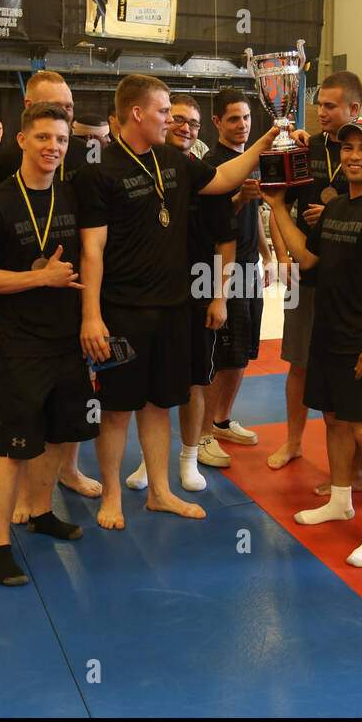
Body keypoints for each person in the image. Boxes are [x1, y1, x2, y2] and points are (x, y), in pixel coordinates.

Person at [73, 73, 284, 530]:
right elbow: (91, 250)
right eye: (164, 111)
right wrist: (91, 315)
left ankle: (161, 492)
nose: (170, 119)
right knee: (115, 411)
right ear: (137, 113)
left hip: (172, 309)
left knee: (159, 405)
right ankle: (111, 495)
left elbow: (226, 176)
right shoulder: (99, 173)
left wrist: (269, 136)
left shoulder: (173, 160)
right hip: (121, 312)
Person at [262, 117, 362, 567]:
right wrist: (277, 207)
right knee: (332, 419)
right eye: (348, 148)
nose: (354, 156)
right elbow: (308, 258)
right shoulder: (335, 208)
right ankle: (340, 498)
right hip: (328, 334)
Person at [0, 102, 95, 585]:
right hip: (21, 345)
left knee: (58, 438)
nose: (53, 148)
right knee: (15, 449)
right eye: (43, 137)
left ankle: (42, 512)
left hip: (67, 341)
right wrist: (38, 279)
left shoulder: (71, 197)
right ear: (22, 140)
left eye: (61, 140)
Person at [0, 71, 101, 498]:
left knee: (69, 404)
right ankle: (15, 482)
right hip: (18, 309)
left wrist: (91, 309)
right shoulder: (2, 167)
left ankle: (66, 472)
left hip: (69, 305)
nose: (62, 123)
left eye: (70, 110)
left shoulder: (80, 160)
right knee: (20, 407)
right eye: (52, 110)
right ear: (26, 118)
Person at [126, 93, 234, 490]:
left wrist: (220, 297)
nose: (186, 128)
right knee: (149, 380)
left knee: (192, 381)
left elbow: (226, 243)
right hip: (149, 294)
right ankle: (147, 461)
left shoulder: (207, 177)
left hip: (198, 292)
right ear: (164, 121)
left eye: (194, 123)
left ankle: (189, 459)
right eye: (179, 120)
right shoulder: (140, 172)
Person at [266, 70, 361, 475]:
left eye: (330, 106)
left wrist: (336, 213)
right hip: (304, 270)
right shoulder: (305, 148)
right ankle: (292, 441)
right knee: (298, 362)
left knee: (349, 365)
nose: (320, 112)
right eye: (318, 104)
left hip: (351, 276)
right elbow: (278, 205)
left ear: (353, 109)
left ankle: (354, 455)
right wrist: (283, 256)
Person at [201, 89, 272, 462]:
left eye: (246, 118)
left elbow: (255, 213)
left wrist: (267, 254)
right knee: (220, 355)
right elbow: (214, 219)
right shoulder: (214, 163)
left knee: (242, 353)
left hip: (249, 264)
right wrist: (240, 199)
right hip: (220, 268)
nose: (242, 125)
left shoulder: (250, 161)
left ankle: (222, 420)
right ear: (217, 122)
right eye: (233, 119)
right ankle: (203, 431)